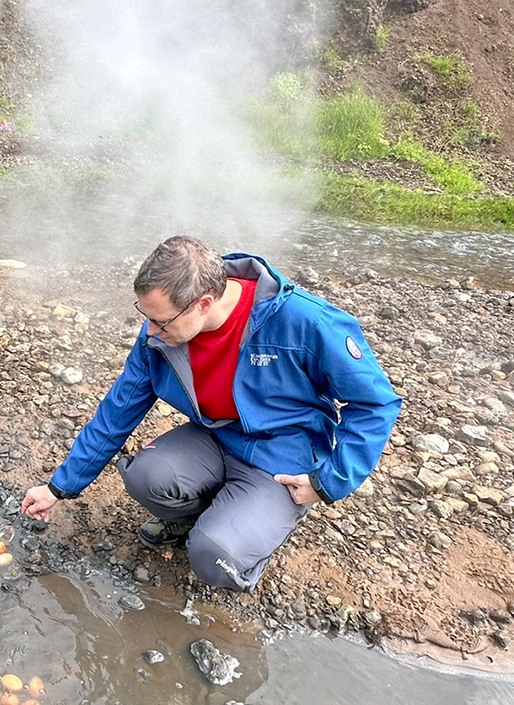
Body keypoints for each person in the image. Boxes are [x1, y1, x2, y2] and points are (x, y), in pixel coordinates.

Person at [20, 235, 401, 592]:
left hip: (281, 459)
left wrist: (328, 481)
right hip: (214, 438)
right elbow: (118, 411)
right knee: (145, 476)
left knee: (215, 557)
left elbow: (376, 403)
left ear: (203, 302)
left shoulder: (306, 322)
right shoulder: (162, 335)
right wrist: (59, 487)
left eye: (161, 321)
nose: (150, 331)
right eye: (146, 316)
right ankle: (208, 518)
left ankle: (247, 539)